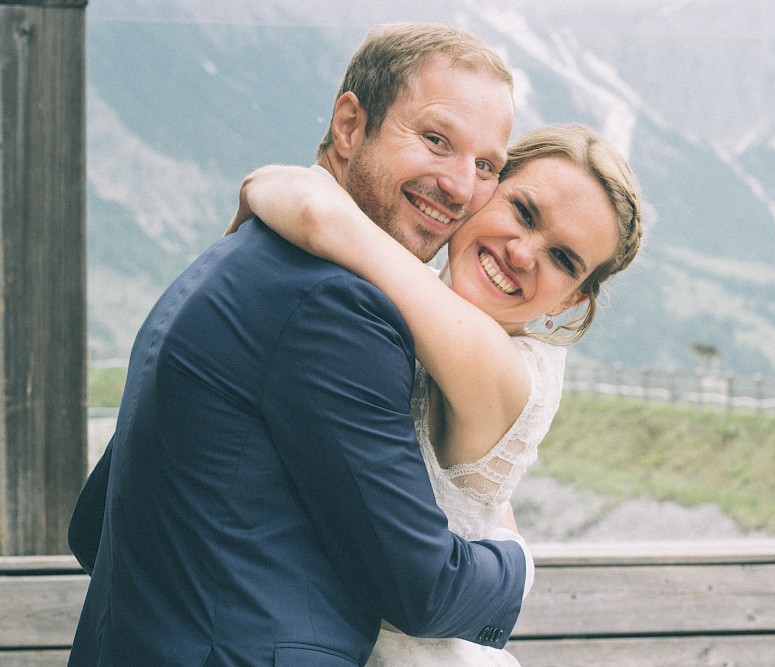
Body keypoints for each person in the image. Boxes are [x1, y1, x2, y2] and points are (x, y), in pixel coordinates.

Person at [66, 23, 530, 666]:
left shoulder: (235, 257)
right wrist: (516, 562)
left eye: (485, 166)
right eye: (435, 140)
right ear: (349, 125)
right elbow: (425, 590)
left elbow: (93, 526)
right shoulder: (334, 306)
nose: (459, 186)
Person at [227, 123, 644, 666]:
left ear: (571, 301)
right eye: (522, 211)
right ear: (482, 192)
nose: (522, 252)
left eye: (563, 259)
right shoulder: (427, 312)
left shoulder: (509, 369)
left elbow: (322, 219)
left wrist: (257, 188)